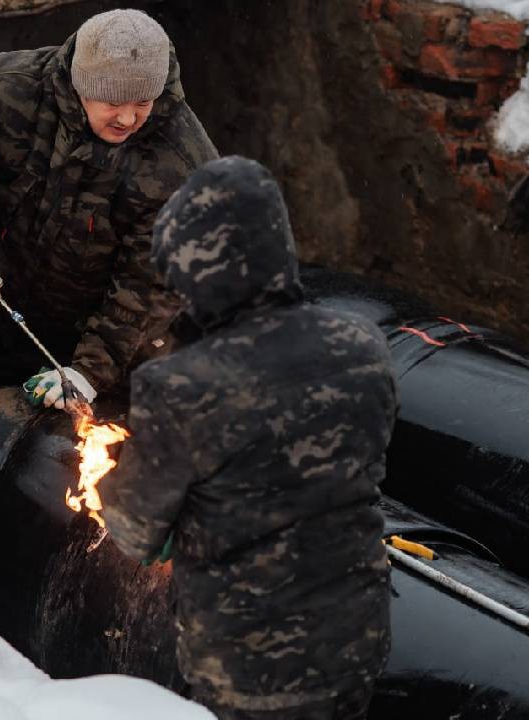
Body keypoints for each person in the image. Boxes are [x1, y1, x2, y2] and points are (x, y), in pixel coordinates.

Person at [101, 157, 397, 720]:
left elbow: (134, 533)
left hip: (250, 666)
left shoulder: (179, 385)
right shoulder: (362, 347)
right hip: (357, 639)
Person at [0, 9, 217, 406]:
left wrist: (90, 370)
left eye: (143, 101)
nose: (129, 118)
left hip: (115, 341)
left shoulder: (183, 164)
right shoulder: (12, 90)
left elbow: (152, 286)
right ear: (81, 83)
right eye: (113, 100)